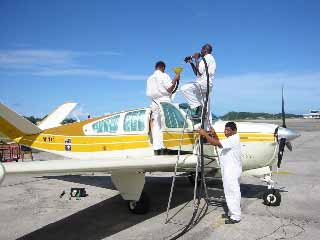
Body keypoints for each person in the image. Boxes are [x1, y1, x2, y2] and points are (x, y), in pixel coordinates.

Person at [199, 122, 242, 224]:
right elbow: (220, 144)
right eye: (225, 130)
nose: (225, 132)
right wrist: (214, 135)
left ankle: (236, 216)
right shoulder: (231, 138)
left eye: (228, 130)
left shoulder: (233, 139)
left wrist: (205, 134)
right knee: (229, 193)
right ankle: (232, 213)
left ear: (234, 131)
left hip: (231, 172)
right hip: (230, 171)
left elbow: (217, 144)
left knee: (232, 193)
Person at [146, 61, 180, 155]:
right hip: (164, 102)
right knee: (165, 124)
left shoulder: (150, 78)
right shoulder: (164, 75)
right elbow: (169, 89)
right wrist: (175, 79)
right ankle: (164, 147)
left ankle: (157, 148)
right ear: (162, 67)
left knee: (157, 125)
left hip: (154, 102)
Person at [181, 43, 216, 121]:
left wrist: (196, 58)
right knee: (205, 104)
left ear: (205, 50)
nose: (200, 51)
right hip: (204, 83)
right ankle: (204, 116)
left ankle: (198, 108)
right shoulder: (207, 59)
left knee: (184, 88)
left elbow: (199, 71)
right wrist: (191, 62)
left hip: (203, 83)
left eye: (202, 50)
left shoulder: (207, 58)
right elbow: (197, 73)